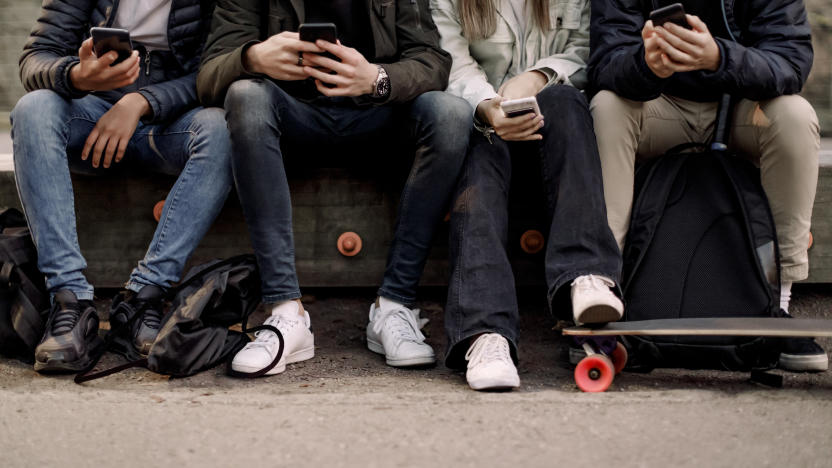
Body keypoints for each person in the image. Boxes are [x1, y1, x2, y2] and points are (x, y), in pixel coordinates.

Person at [197, 0, 472, 375]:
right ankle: (286, 312)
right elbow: (208, 76)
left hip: (381, 116)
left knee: (451, 114)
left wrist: (376, 78)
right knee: (246, 95)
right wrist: (253, 58)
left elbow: (432, 62)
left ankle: (393, 307)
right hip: (291, 120)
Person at [588, 0, 827, 371]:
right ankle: (605, 296)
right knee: (607, 107)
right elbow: (604, 64)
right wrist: (646, 63)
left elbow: (791, 63)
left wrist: (719, 58)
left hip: (742, 108)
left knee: (795, 116)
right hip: (656, 105)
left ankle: (777, 304)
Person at [11, 0, 232, 372]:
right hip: (91, 115)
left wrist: (142, 101)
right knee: (33, 109)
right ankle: (70, 303)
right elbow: (35, 58)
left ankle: (143, 298)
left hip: (173, 122)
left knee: (224, 128)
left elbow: (218, 69)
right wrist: (77, 77)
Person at [431, 0, 624, 391]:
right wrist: (489, 108)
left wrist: (538, 76)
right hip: (484, 119)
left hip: (554, 114)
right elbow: (450, 59)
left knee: (568, 103)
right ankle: (486, 332)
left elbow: (590, 51)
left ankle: (586, 276)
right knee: (475, 148)